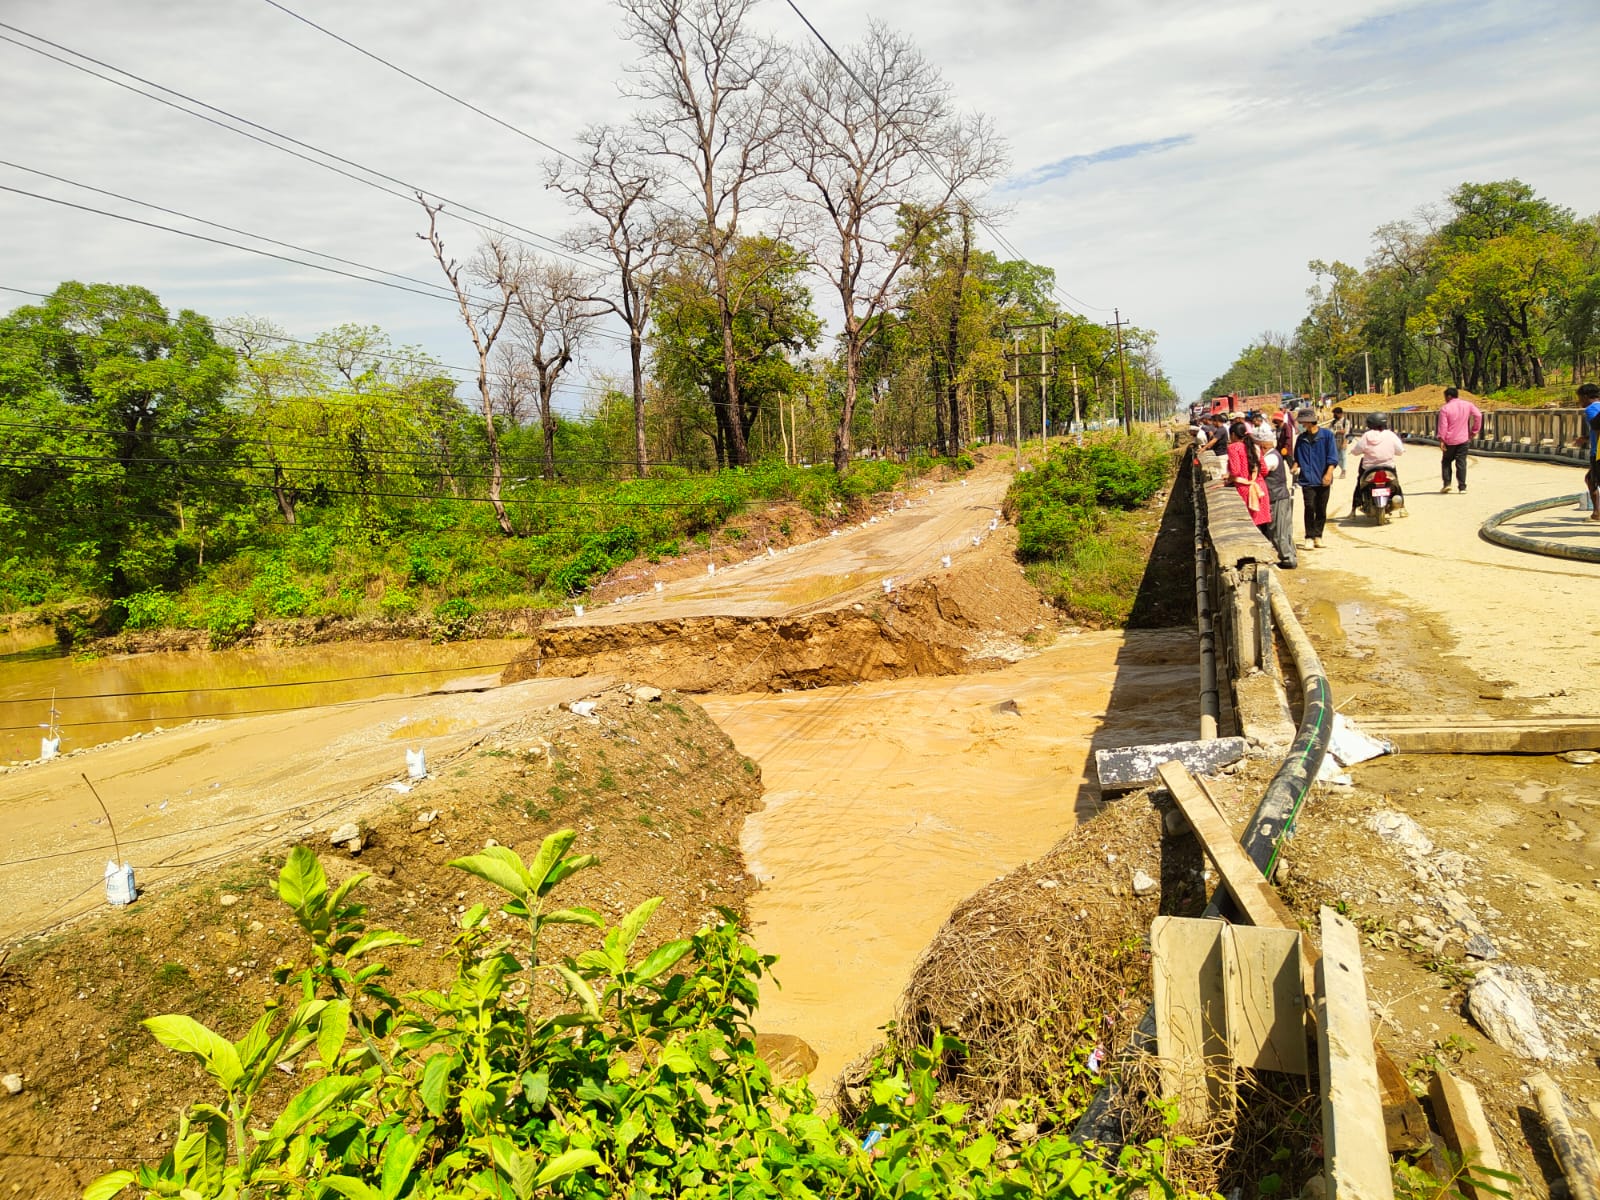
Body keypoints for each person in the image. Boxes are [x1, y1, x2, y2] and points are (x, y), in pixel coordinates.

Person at [1292, 407, 1338, 549]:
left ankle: (1318, 535)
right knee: (1309, 507)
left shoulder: (1327, 436)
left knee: (1321, 508)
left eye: (1302, 422)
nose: (1301, 424)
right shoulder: (1301, 438)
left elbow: (1332, 457)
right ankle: (1309, 536)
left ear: (1309, 422)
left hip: (1323, 478)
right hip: (1307, 479)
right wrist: (1295, 466)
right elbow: (1297, 457)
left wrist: (1328, 473)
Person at [1253, 423, 1296, 568]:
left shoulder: (1270, 458)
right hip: (1276, 496)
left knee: (1279, 531)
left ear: (1262, 446)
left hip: (1277, 497)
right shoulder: (1271, 455)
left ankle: (1288, 559)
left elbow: (1259, 471)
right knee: (1282, 529)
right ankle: (1289, 555)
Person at [1225, 419, 1273, 540]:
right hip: (1260, 487)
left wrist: (1228, 479)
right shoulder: (1255, 447)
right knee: (1263, 525)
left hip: (1245, 489)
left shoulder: (1233, 448)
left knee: (1250, 525)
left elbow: (1235, 471)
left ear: (1233, 435)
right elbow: (1264, 470)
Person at [1436, 386, 1483, 493]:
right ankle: (1462, 487)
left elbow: (1443, 426)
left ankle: (1447, 483)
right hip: (1463, 438)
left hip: (1450, 440)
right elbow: (1478, 415)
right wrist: (1474, 430)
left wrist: (1442, 440)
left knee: (1446, 461)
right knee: (1461, 462)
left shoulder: (1445, 408)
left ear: (1448, 396)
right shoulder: (1468, 405)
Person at [1578, 381, 1600, 522]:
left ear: (1586, 396)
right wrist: (1586, 438)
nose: (1579, 402)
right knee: (1590, 479)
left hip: (1597, 452)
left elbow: (1598, 428)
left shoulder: (1591, 409)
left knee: (1592, 480)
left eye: (1580, 398)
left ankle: (1597, 513)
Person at [1330, 406, 1351, 479]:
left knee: (1343, 457)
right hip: (1334, 442)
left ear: (1340, 414)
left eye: (1336, 414)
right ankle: (1343, 469)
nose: (1334, 415)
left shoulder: (1346, 422)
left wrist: (1345, 442)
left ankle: (1343, 471)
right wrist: (1339, 431)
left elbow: (1346, 432)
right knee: (1337, 458)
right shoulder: (1333, 422)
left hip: (1342, 441)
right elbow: (1331, 431)